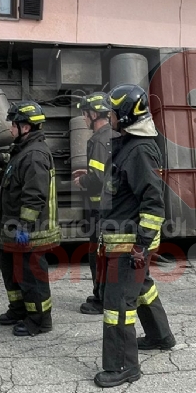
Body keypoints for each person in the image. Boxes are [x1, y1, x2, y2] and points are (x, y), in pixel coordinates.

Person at [94, 84, 176, 388]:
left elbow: (153, 201)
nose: (109, 117)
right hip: (124, 240)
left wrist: (141, 243)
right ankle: (160, 336)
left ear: (127, 116)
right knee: (142, 288)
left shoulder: (139, 150)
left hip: (130, 243)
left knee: (117, 305)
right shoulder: (129, 145)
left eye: (113, 113)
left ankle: (121, 366)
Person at [0, 102, 60, 337]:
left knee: (32, 277)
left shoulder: (35, 156)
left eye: (13, 123)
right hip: (14, 228)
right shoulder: (24, 150)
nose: (10, 128)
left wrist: (23, 226)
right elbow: (16, 168)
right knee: (12, 271)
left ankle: (40, 320)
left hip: (30, 231)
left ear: (25, 127)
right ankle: (19, 309)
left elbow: (34, 196)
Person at [72, 92, 114, 315]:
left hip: (99, 210)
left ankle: (102, 299)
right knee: (104, 255)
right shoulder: (112, 135)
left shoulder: (98, 140)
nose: (83, 117)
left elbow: (97, 179)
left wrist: (82, 180)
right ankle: (101, 293)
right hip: (109, 208)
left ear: (94, 113)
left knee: (97, 256)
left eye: (85, 113)